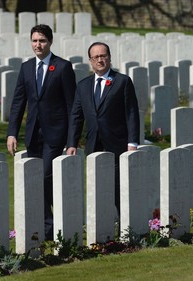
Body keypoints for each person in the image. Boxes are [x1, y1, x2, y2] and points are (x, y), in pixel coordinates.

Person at [6, 24, 76, 241]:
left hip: (56, 135)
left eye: (42, 40)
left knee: (46, 176)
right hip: (33, 134)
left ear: (50, 42)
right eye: (35, 40)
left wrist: (72, 140)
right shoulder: (26, 67)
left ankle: (51, 225)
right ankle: (51, 224)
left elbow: (72, 106)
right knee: (37, 179)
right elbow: (19, 101)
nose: (38, 44)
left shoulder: (62, 67)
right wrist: (12, 133)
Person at [66, 42, 140, 216]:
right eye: (96, 57)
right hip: (93, 144)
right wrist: (72, 143)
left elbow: (131, 113)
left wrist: (132, 143)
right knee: (96, 187)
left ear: (109, 57)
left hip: (117, 144)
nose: (100, 60)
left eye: (103, 56)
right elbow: (76, 116)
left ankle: (124, 225)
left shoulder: (122, 81)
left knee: (117, 187)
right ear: (90, 61)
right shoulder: (83, 85)